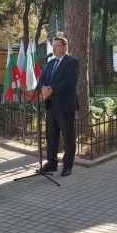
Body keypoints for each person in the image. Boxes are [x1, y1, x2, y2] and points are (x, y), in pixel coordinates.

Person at [37, 37, 81, 177]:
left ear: (65, 47)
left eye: (57, 46)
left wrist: (51, 89)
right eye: (53, 46)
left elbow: (70, 82)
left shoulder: (72, 62)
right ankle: (52, 162)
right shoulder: (50, 63)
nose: (54, 49)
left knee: (68, 135)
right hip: (51, 105)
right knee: (51, 135)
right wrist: (43, 87)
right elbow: (42, 79)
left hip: (65, 104)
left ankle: (67, 164)